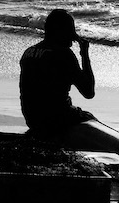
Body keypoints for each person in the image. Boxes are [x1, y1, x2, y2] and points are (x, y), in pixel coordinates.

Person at [19, 9, 95, 141]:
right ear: (60, 31)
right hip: (56, 118)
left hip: (31, 118)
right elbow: (88, 92)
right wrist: (84, 55)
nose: (73, 36)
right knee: (89, 120)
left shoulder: (28, 53)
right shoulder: (63, 55)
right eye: (71, 30)